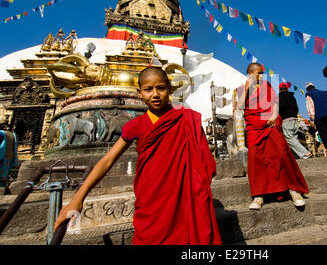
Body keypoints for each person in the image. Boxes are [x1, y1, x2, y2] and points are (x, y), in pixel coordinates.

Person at [54, 66, 222, 245]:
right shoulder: (136, 125)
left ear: (170, 90)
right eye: (148, 89)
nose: (155, 94)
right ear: (139, 93)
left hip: (185, 200)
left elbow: (203, 164)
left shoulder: (187, 120)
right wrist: (78, 198)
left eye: (161, 88)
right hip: (151, 201)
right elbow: (108, 160)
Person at [238, 63, 309, 210]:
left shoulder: (267, 86)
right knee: (256, 159)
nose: (262, 76)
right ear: (251, 74)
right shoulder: (242, 89)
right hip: (254, 126)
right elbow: (239, 106)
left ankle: (293, 190)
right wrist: (246, 89)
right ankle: (258, 195)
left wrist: (274, 115)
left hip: (270, 123)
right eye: (259, 73)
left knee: (281, 153)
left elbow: (275, 103)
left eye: (262, 73)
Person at [278, 82, 312, 159]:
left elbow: (281, 106)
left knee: (289, 138)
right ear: (287, 88)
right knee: (294, 138)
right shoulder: (292, 96)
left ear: (279, 89)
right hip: (295, 119)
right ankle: (296, 157)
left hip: (286, 120)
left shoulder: (280, 96)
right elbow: (296, 108)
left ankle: (306, 153)